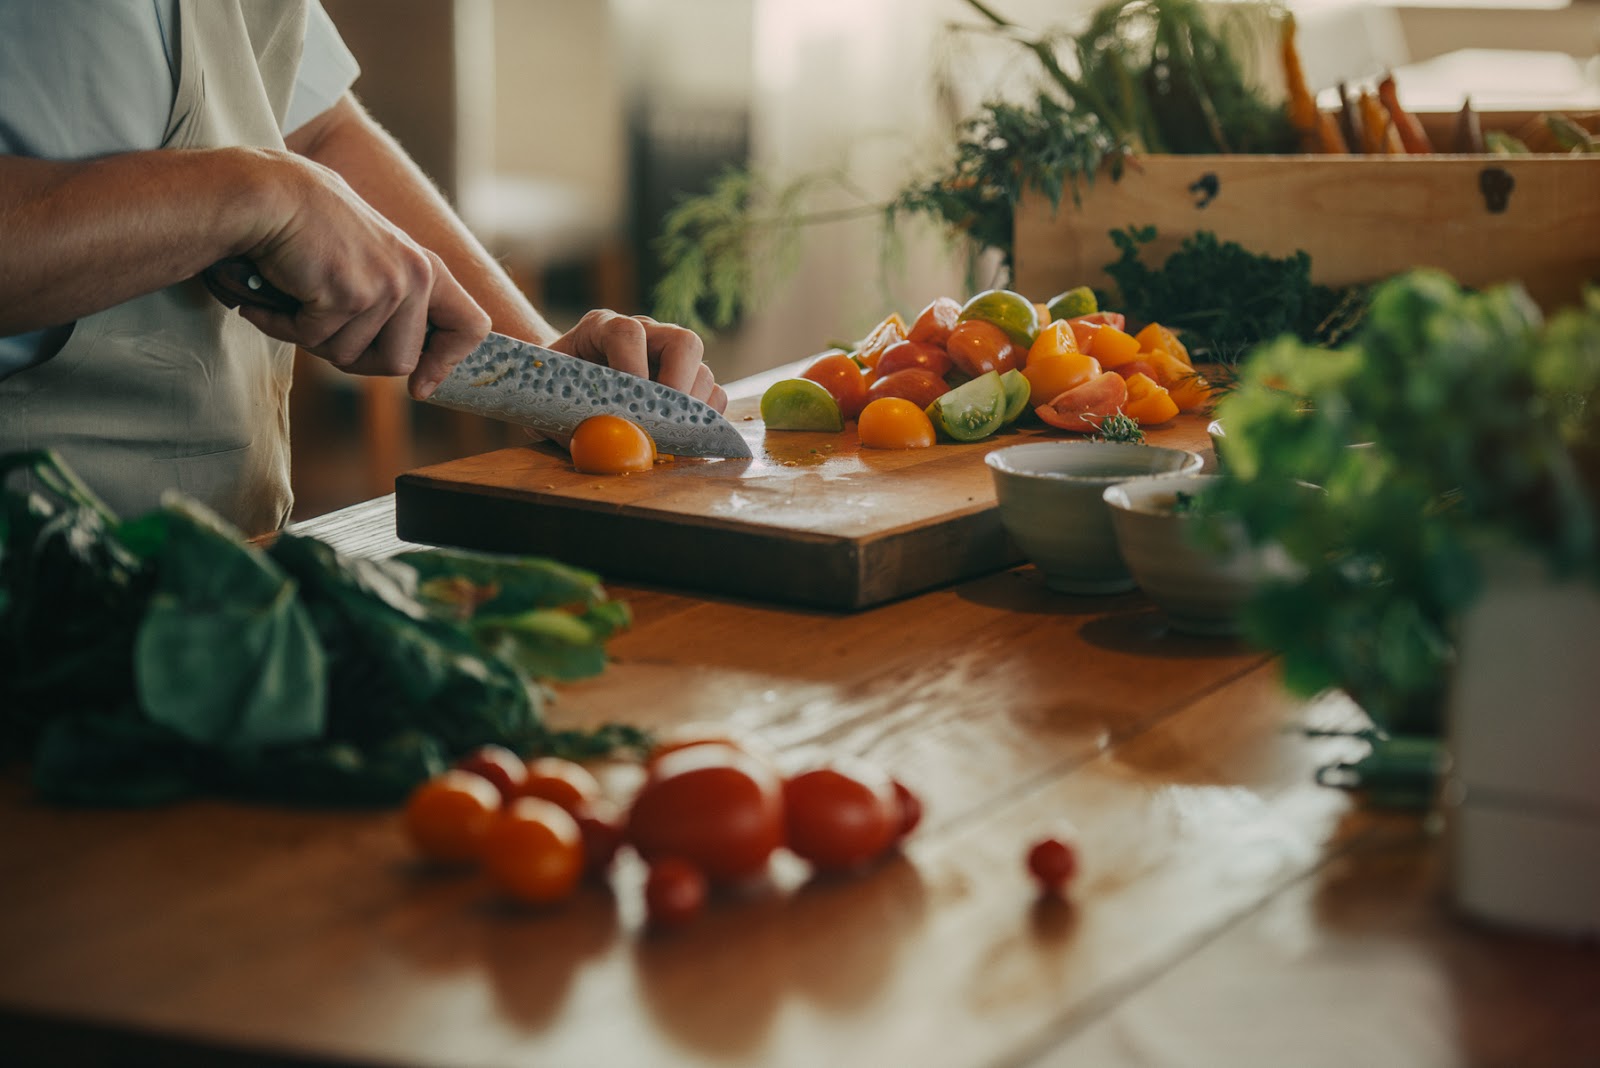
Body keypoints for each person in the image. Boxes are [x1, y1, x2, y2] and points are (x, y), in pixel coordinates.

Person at [0, 0, 725, 535]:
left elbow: (313, 127)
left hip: (228, 561)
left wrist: (544, 370)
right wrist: (257, 193)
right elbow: (287, 170)